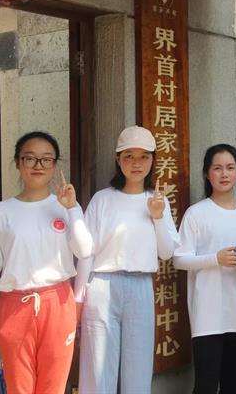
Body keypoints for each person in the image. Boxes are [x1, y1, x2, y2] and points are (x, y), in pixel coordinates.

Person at [0, 131, 92, 394]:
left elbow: (85, 251)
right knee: (19, 386)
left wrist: (73, 209)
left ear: (55, 165)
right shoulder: (1, 212)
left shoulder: (66, 208)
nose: (38, 165)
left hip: (58, 303)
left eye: (46, 159)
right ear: (18, 163)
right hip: (14, 306)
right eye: (30, 158)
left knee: (54, 385)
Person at [74, 125, 179, 394]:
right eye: (128, 156)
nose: (136, 163)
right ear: (118, 160)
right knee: (98, 369)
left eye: (143, 156)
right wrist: (78, 298)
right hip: (102, 285)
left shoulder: (158, 201)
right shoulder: (102, 200)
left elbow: (167, 252)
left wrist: (157, 217)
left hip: (141, 285)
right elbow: (87, 252)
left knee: (139, 368)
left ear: (153, 160)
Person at [173, 144, 236, 394]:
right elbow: (179, 259)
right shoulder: (196, 214)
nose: (224, 174)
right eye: (217, 168)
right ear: (206, 173)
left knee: (232, 385)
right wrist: (216, 259)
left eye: (230, 168)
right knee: (206, 385)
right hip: (207, 314)